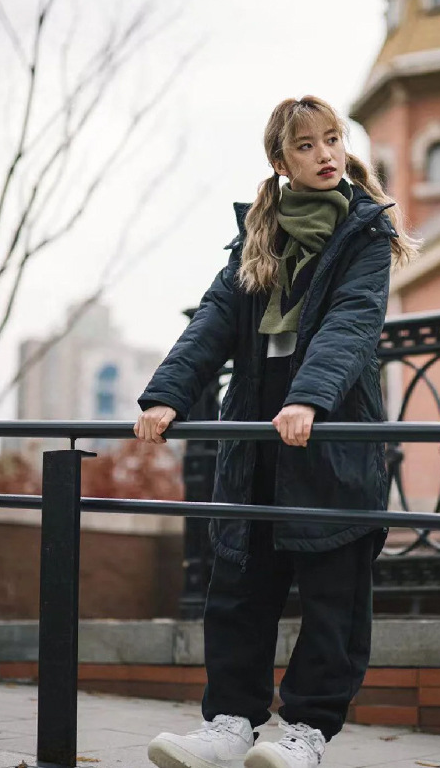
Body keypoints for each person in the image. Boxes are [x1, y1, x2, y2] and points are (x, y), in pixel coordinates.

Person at [134, 95, 418, 768]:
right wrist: (167, 395)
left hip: (331, 439)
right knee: (238, 589)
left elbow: (352, 321)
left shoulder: (365, 232)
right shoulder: (257, 237)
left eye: (332, 139)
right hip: (257, 441)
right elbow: (213, 320)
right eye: (305, 145)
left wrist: (309, 399)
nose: (325, 154)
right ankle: (229, 725)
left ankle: (306, 734)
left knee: (333, 594)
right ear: (280, 161)